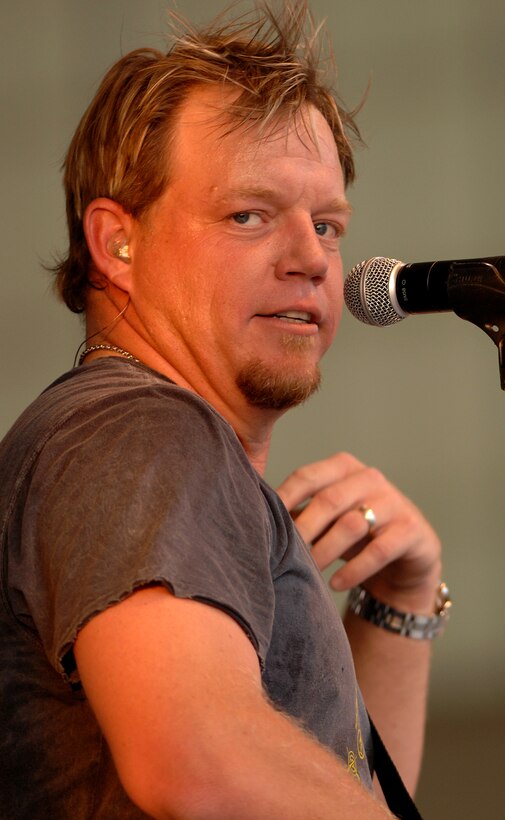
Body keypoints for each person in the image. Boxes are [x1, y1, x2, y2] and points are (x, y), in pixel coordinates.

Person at [0, 3, 448, 817]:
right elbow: (201, 763)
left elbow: (331, 793)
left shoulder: (165, 453)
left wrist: (399, 604)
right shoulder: (137, 432)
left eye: (326, 223)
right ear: (116, 243)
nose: (312, 258)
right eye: (249, 215)